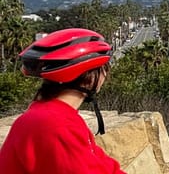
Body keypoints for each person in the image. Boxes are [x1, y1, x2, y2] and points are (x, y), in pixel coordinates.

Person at [0, 28, 125, 173]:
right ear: (91, 79)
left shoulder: (50, 115)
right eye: (104, 68)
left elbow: (102, 166)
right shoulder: (57, 126)